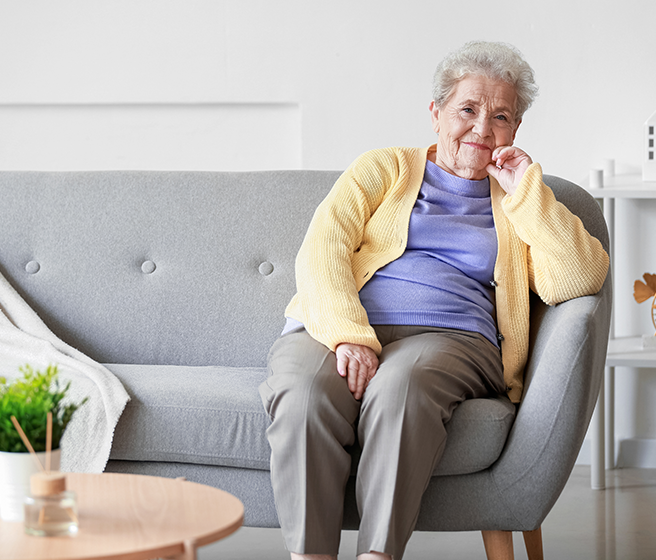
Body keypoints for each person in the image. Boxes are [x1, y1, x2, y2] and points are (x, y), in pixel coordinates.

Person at [259, 40, 609, 560]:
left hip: (455, 339)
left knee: (402, 386)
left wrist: (526, 193)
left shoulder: (518, 200)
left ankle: (377, 555)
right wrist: (349, 336)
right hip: (346, 324)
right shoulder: (383, 168)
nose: (482, 128)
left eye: (501, 116)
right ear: (436, 113)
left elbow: (578, 279)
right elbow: (322, 251)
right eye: (467, 109)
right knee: (303, 393)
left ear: (516, 131)